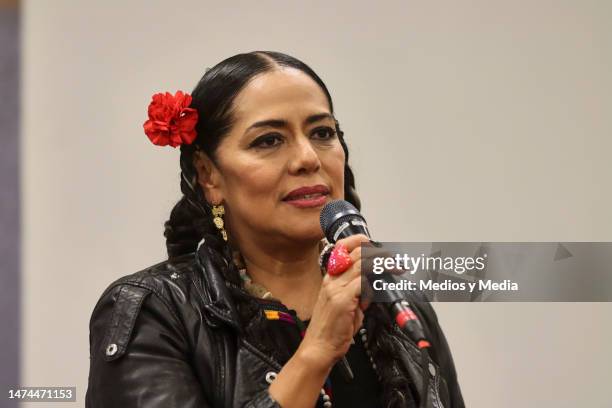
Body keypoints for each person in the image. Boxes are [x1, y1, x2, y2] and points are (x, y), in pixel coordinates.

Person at [85, 51, 465, 408]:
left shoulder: (397, 303)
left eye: (322, 133)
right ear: (208, 175)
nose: (307, 158)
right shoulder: (153, 310)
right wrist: (316, 353)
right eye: (269, 140)